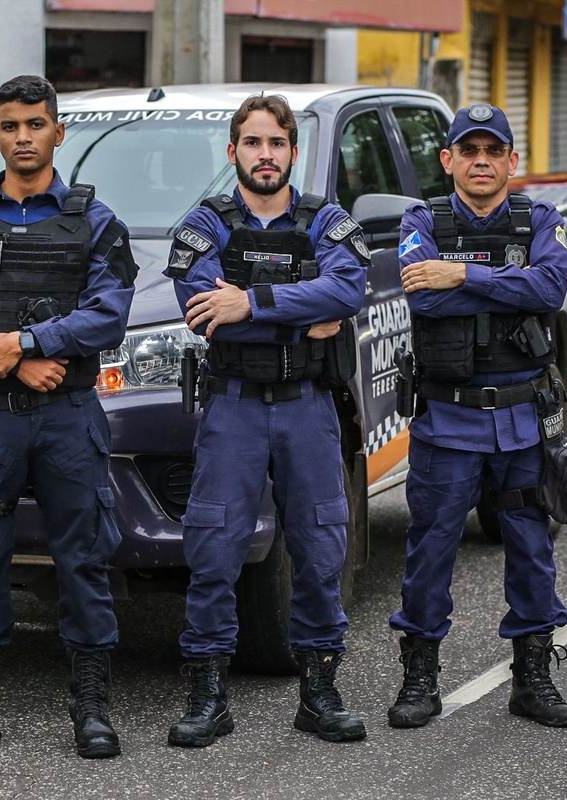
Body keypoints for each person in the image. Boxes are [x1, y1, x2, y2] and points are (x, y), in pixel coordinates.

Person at [0, 75, 138, 760]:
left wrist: (32, 342)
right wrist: (15, 362)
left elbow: (109, 313)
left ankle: (92, 708)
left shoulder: (96, 223)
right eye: (9, 126)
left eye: (34, 125)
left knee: (83, 560)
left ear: (57, 133)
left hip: (68, 414)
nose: (22, 138)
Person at [163, 93, 369, 747]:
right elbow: (198, 301)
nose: (265, 155)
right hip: (234, 408)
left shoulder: (325, 219)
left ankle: (320, 692)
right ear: (233, 153)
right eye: (252, 143)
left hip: (308, 408)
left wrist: (248, 302)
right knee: (214, 549)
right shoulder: (207, 223)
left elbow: (349, 289)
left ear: (293, 152)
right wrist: (302, 316)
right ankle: (207, 697)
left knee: (319, 547)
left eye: (276, 144)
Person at [387, 103, 567, 729]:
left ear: (510, 161)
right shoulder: (423, 219)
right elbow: (422, 292)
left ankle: (533, 679)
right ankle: (419, 676)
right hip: (448, 420)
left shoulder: (539, 218)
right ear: (447, 161)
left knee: (530, 549)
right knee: (431, 549)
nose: (480, 161)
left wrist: (462, 271)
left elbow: (551, 289)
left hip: (525, 422)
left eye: (491, 151)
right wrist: (504, 278)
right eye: (467, 151)